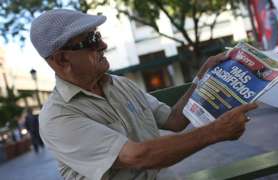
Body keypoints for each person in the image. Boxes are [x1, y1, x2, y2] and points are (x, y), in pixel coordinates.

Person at [30, 9, 258, 180]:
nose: (103, 44)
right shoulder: (57, 118)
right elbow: (137, 156)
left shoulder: (119, 84)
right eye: (91, 40)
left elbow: (174, 120)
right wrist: (216, 131)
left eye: (97, 35)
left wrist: (204, 76)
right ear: (62, 59)